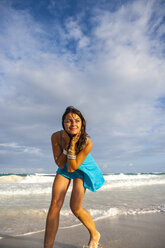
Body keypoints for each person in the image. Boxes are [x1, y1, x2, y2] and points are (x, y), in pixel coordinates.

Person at [44, 106, 105, 248]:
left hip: (82, 169)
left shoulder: (87, 142)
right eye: (69, 121)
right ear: (63, 123)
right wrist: (67, 148)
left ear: (82, 123)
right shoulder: (56, 136)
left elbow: (74, 167)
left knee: (75, 207)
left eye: (77, 121)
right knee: (54, 204)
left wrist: (72, 145)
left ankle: (94, 233)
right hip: (65, 165)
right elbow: (59, 163)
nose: (73, 124)